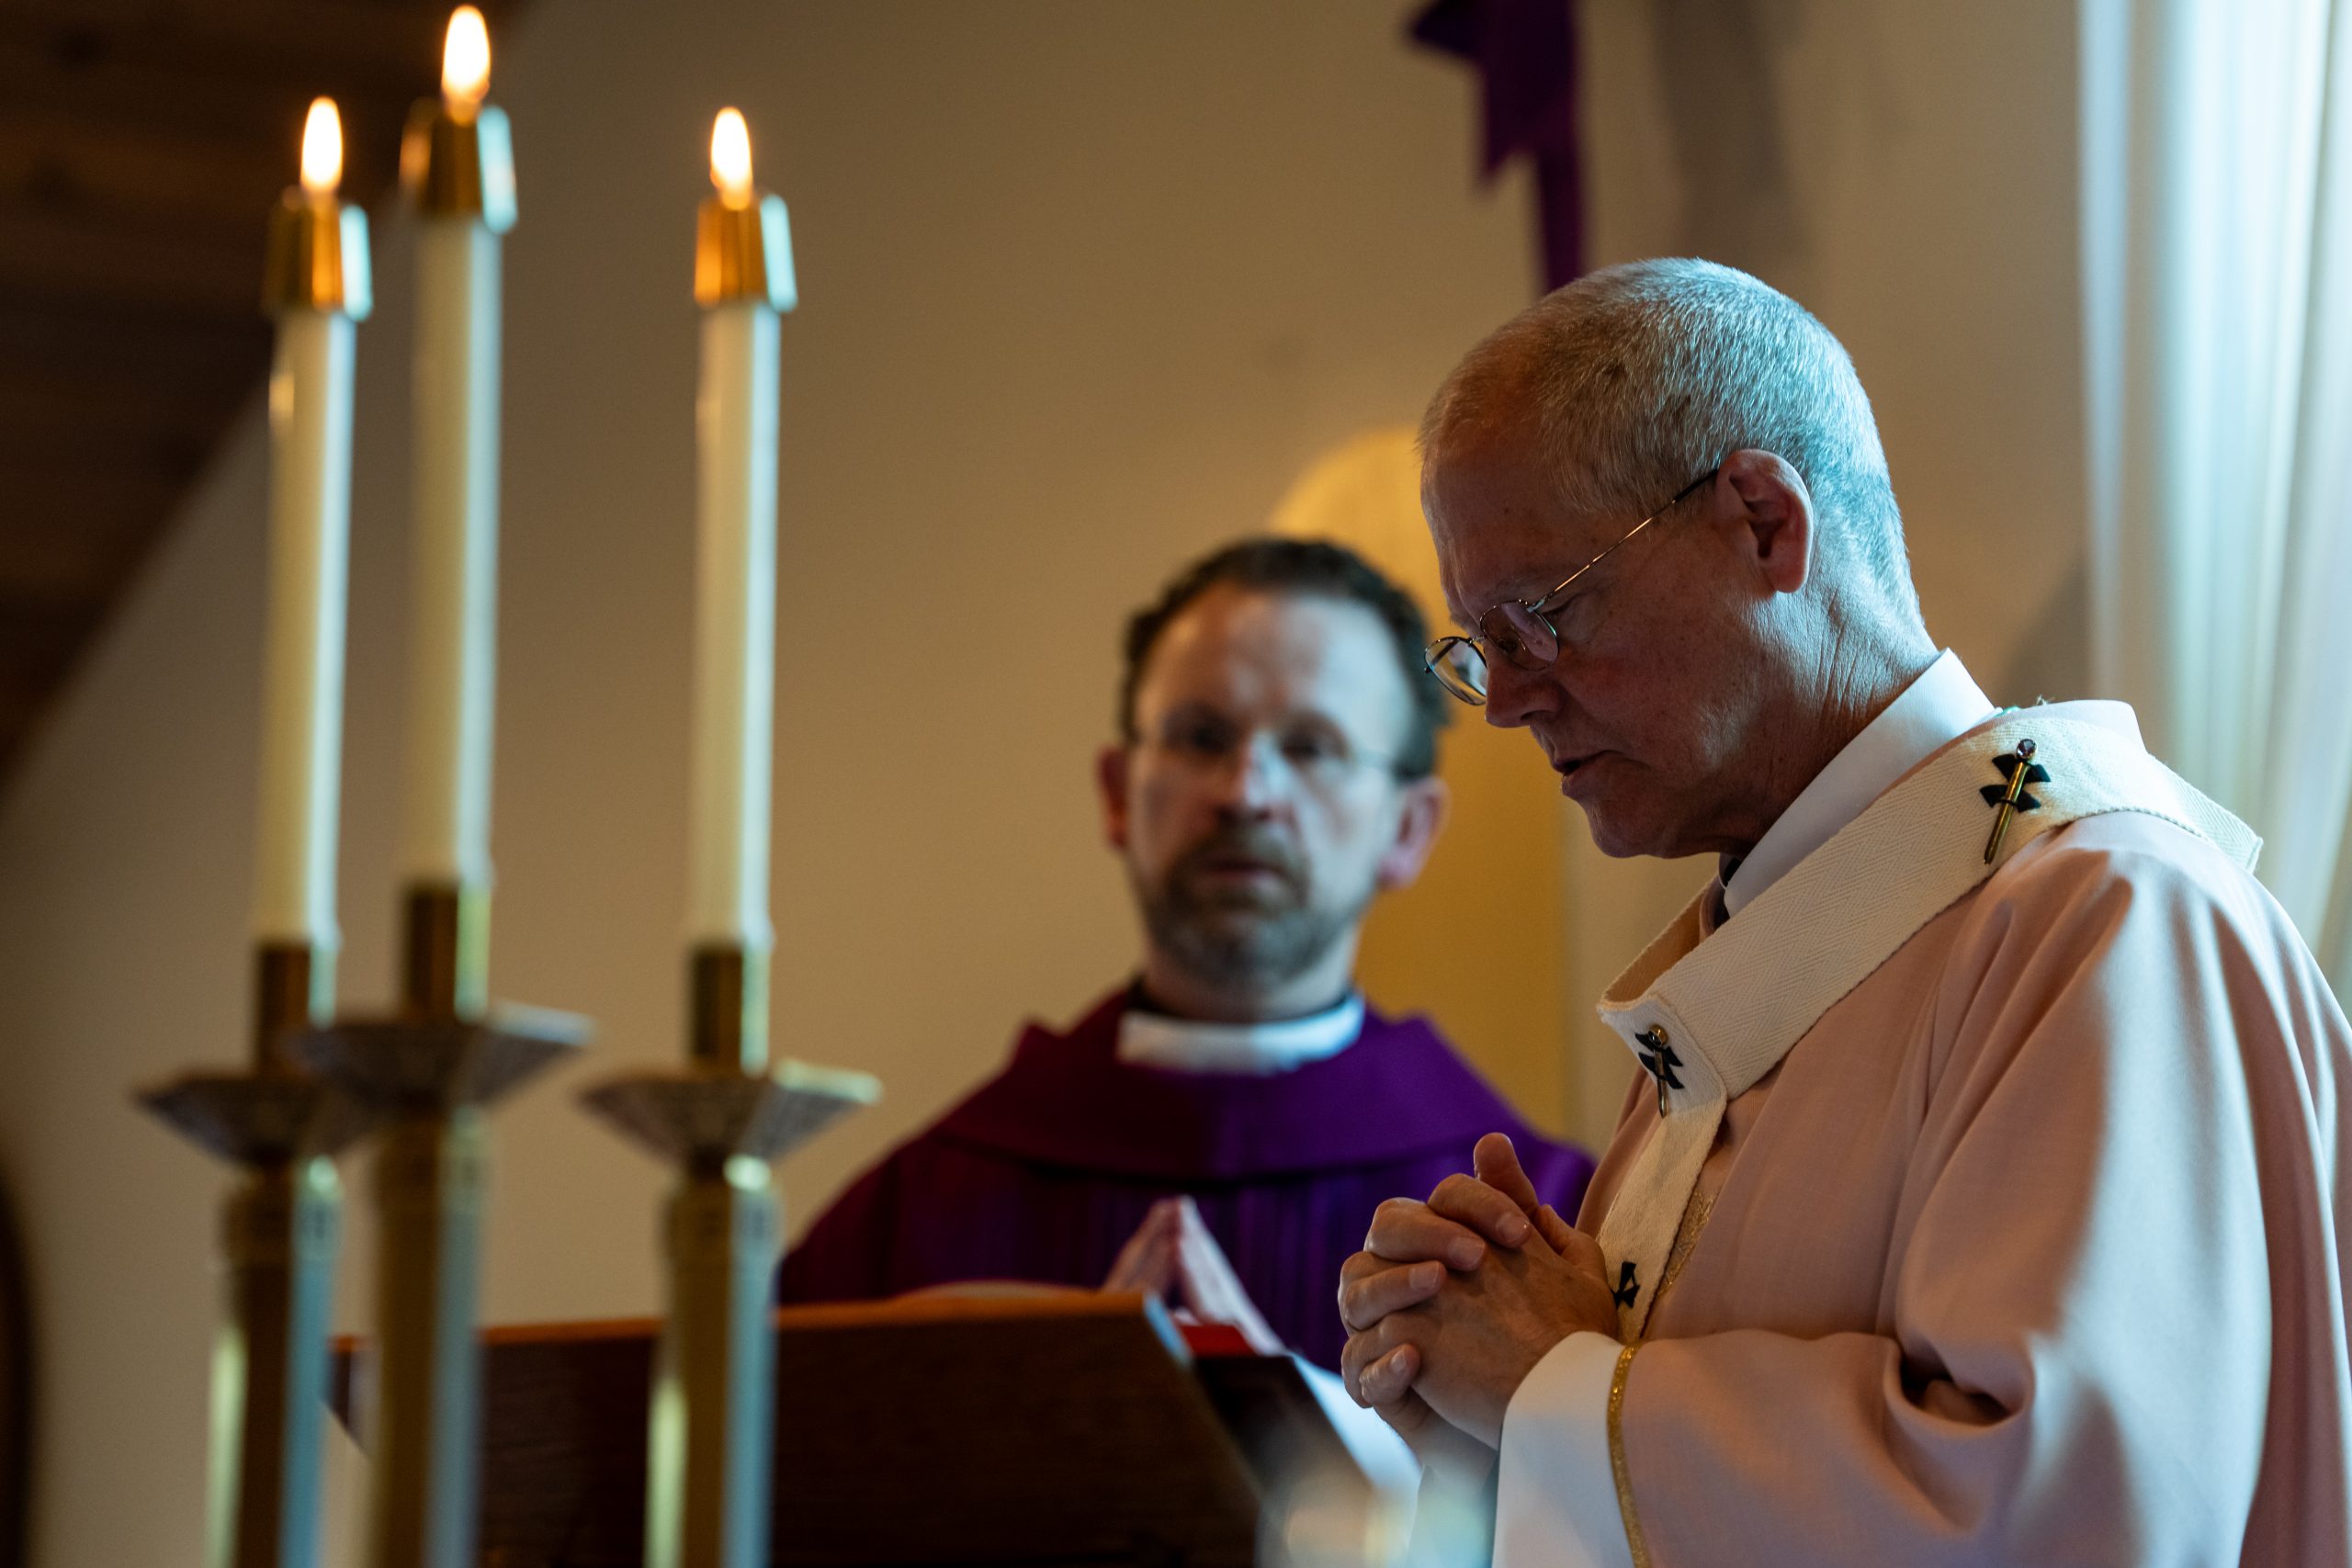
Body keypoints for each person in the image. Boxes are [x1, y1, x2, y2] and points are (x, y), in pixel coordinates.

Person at [1336, 259, 2352, 1566]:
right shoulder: (1757, 969)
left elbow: (2065, 1518)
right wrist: (1476, 1408)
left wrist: (1559, 1385)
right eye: (1482, 648)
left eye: (1545, 615)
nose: (1515, 700)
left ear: (1766, 521)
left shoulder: (2104, 918)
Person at [780, 537, 1594, 1373]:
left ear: (1407, 828)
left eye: (1312, 746)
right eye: (1200, 735)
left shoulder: (1539, 1221)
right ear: (1115, 795)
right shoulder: (911, 1222)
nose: (1245, 792)